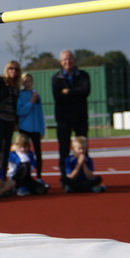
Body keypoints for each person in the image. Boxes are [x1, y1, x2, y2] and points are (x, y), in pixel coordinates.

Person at [52, 50, 90, 180]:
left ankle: (84, 175)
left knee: (83, 148)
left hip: (80, 117)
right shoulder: (56, 78)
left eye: (70, 59)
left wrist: (68, 92)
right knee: (63, 149)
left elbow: (85, 91)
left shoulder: (83, 75)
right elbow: (58, 98)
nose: (67, 62)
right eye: (64, 60)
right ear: (61, 62)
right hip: (63, 118)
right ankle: (65, 177)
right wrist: (76, 94)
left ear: (74, 60)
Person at [0, 60, 21, 172]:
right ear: (7, 70)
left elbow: (16, 105)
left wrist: (16, 121)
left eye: (16, 69)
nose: (13, 71)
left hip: (10, 120)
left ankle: (2, 174)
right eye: (11, 68)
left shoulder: (16, 86)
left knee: (6, 149)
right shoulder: (0, 81)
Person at [16, 72, 46, 180]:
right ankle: (24, 175)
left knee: (38, 152)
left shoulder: (36, 95)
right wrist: (30, 103)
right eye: (25, 81)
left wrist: (42, 129)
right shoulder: (20, 95)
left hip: (36, 128)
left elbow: (40, 113)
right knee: (23, 151)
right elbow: (20, 112)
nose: (27, 83)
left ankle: (39, 176)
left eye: (29, 81)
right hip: (24, 127)